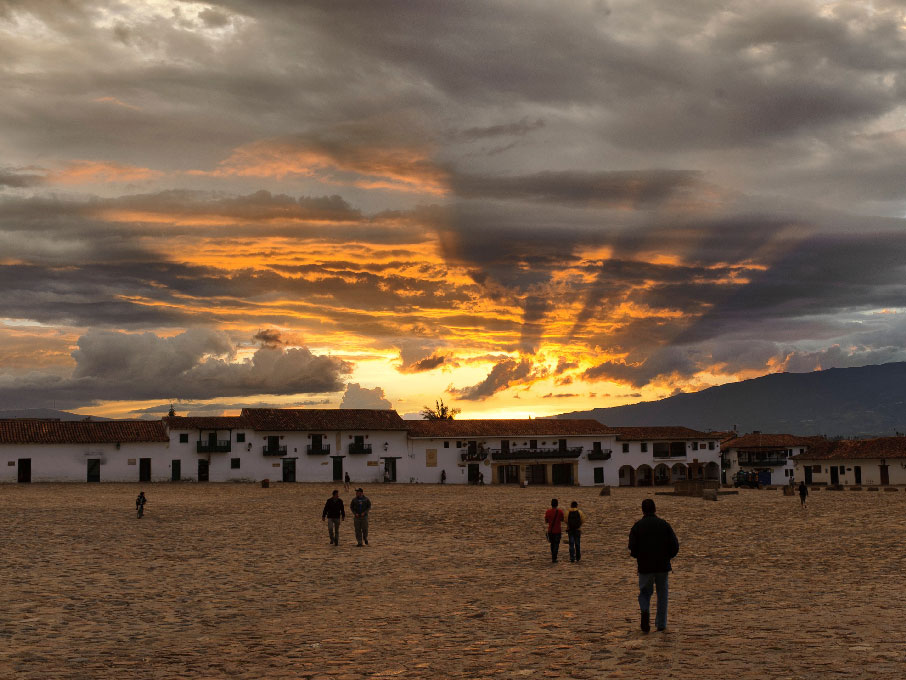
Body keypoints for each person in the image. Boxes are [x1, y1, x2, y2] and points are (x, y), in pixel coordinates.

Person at [628, 499, 679, 633]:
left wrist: (638, 556)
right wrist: (668, 556)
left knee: (645, 593)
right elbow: (674, 545)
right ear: (655, 509)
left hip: (645, 566)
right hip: (662, 566)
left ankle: (645, 611)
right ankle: (661, 623)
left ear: (642, 510)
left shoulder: (638, 526)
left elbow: (632, 547)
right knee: (662, 594)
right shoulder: (664, 525)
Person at [544, 499, 565, 563]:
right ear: (557, 504)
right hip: (558, 530)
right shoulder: (560, 512)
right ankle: (554, 557)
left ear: (551, 504)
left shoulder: (548, 512)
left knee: (552, 544)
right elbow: (562, 519)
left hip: (550, 530)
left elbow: (546, 521)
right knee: (556, 544)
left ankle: (553, 556)